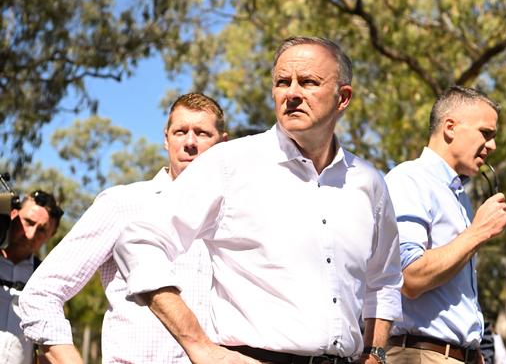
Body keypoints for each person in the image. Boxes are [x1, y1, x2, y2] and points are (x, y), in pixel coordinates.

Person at [113, 36, 402, 364]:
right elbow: (139, 239)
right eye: (282, 82)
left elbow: (384, 280)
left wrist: (375, 353)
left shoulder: (368, 182)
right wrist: (200, 346)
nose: (292, 93)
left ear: (343, 97)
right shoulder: (230, 163)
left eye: (308, 82)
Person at [17, 93, 228, 364]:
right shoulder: (123, 204)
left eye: (201, 133)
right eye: (180, 132)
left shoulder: (234, 218)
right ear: (166, 139)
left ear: (223, 143)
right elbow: (41, 292)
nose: (189, 142)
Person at [384, 86, 506, 364]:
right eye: (485, 134)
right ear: (450, 127)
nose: (492, 146)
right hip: (419, 355)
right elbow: (410, 276)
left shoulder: (457, 195)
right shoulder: (410, 179)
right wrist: (478, 231)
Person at [1, 190, 63, 364]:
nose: (30, 234)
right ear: (13, 215)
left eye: (42, 230)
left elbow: (48, 343)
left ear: (50, 236)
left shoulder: (45, 278)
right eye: (28, 222)